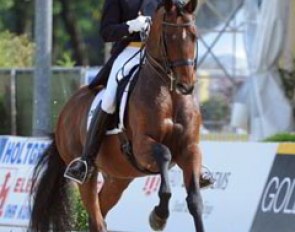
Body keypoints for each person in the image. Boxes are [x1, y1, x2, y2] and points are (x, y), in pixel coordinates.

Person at [64, 0, 214, 188]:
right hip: (130, 49)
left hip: (163, 52)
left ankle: (194, 161)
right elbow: (106, 32)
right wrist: (129, 26)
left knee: (184, 92)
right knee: (109, 98)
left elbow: (181, 12)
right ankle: (86, 160)